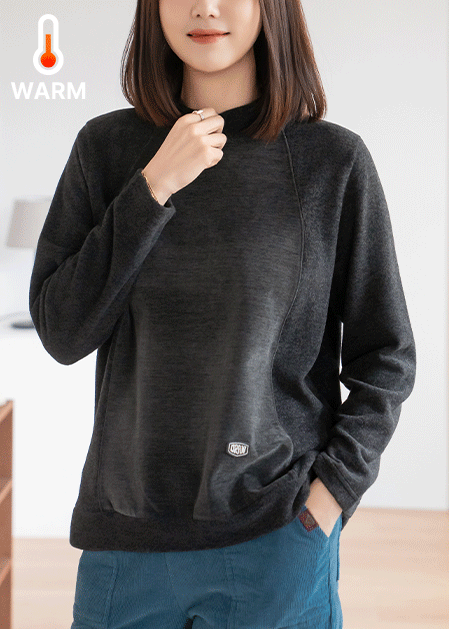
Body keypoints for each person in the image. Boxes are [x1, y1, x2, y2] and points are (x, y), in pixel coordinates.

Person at [29, 0, 417, 627]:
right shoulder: (106, 149)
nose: (204, 7)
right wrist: (153, 186)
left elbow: (387, 354)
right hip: (125, 542)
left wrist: (332, 494)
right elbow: (62, 331)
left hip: (275, 537)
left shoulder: (332, 160)